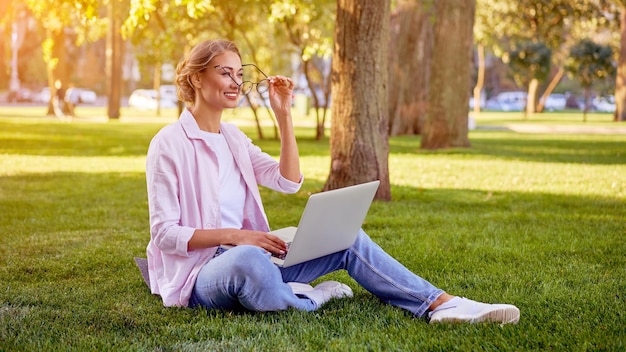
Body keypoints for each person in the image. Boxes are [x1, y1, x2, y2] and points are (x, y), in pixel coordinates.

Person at [145, 39, 520, 324]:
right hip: (203, 273)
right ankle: (313, 297)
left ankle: (438, 303)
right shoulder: (169, 143)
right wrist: (238, 236)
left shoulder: (234, 140)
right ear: (196, 77)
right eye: (224, 72)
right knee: (247, 262)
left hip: (256, 253)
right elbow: (165, 233)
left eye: (239, 74)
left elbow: (288, 181)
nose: (235, 82)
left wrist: (284, 116)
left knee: (346, 236)